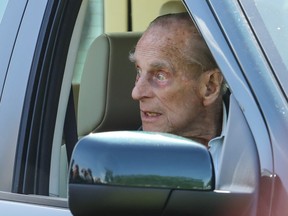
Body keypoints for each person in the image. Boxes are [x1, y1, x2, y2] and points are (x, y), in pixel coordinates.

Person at [129, 12, 227, 173]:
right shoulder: (125, 162)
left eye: (160, 75)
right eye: (139, 71)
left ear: (210, 86)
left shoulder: (266, 147)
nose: (136, 93)